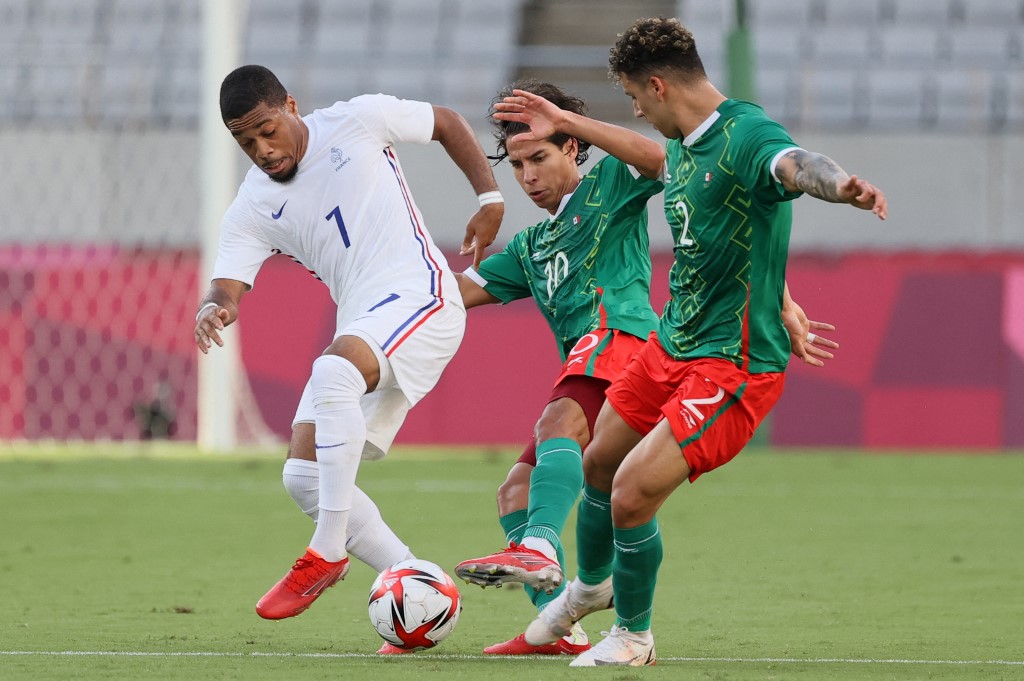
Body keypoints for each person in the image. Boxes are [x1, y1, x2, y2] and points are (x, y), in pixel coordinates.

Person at [492, 17, 887, 667]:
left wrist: (839, 186)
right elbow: (729, 238)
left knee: (631, 491)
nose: (638, 112)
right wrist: (782, 297)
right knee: (597, 464)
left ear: (657, 87)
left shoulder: (746, 136)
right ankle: (589, 589)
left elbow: (794, 166)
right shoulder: (680, 147)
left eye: (635, 99)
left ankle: (634, 636)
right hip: (670, 346)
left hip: (732, 369)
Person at [192, 66, 503, 638]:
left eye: (267, 130)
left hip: (422, 296)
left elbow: (446, 122)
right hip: (366, 320)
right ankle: (415, 585)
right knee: (303, 476)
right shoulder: (253, 205)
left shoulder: (357, 121)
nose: (262, 150)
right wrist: (216, 305)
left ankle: (327, 551)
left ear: (290, 104)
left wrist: (489, 196)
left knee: (333, 368)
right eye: (245, 142)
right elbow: (227, 280)